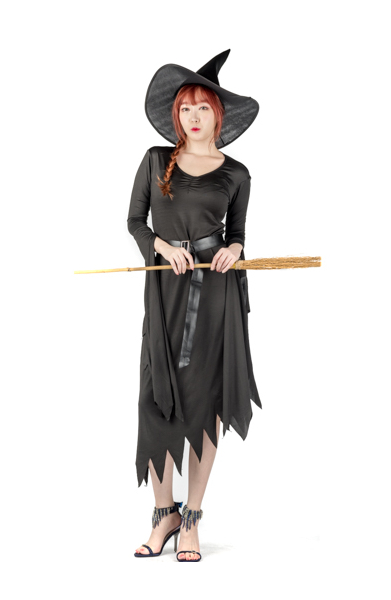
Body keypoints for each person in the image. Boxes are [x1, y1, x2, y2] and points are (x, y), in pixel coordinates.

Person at [128, 49, 262, 562]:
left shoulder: (237, 174)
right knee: (155, 399)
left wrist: (235, 249)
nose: (193, 116)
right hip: (166, 291)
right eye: (185, 107)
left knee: (204, 404)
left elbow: (238, 233)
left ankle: (192, 520)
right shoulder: (154, 160)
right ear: (176, 114)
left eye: (203, 107)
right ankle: (163, 513)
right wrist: (162, 248)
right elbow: (136, 221)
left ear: (218, 114)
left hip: (215, 298)